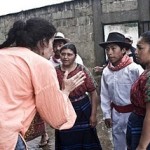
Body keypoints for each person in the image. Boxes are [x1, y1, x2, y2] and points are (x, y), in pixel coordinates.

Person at [0, 18, 86, 150]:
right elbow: (56, 118)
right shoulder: (40, 64)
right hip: (5, 138)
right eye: (52, 42)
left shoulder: (3, 54)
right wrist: (66, 90)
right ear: (43, 42)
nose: (54, 49)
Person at [99, 32, 144, 150]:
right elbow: (105, 95)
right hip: (116, 114)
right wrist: (107, 114)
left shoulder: (134, 69)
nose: (109, 52)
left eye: (113, 48)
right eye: (107, 49)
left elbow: (143, 93)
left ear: (124, 50)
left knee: (134, 143)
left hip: (133, 114)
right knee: (118, 143)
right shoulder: (106, 72)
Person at [55, 43, 102, 150]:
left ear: (75, 56)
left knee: (87, 140)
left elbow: (93, 92)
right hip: (64, 109)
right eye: (63, 54)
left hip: (82, 109)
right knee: (66, 139)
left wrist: (93, 115)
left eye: (69, 54)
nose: (65, 57)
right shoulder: (55, 72)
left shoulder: (82, 70)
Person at [126, 31, 150, 150]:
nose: (135, 52)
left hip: (144, 131)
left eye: (140, 48)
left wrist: (142, 145)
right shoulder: (146, 71)